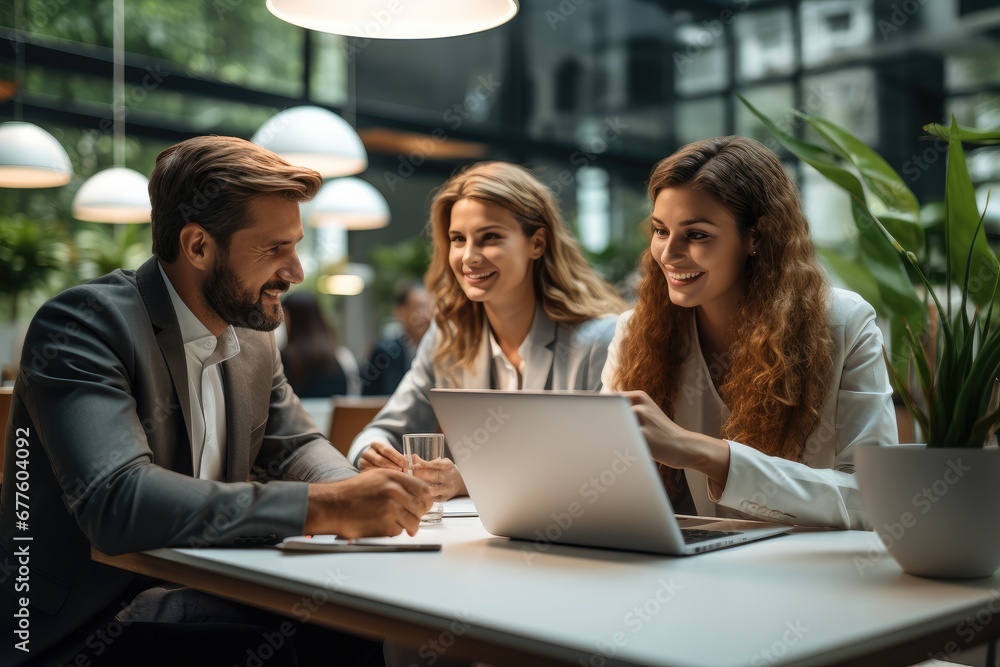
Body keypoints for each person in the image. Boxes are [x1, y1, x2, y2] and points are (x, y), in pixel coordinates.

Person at [0, 135, 431, 666]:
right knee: (327, 633)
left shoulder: (251, 337)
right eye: (275, 249)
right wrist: (327, 508)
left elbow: (296, 445)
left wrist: (356, 492)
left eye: (296, 245)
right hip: (82, 626)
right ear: (198, 246)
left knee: (359, 617)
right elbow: (117, 500)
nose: (296, 272)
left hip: (198, 588)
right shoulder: (85, 325)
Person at [602, 136, 898, 531]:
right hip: (693, 573)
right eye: (660, 231)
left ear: (757, 237)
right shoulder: (635, 331)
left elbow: (874, 499)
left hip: (812, 577)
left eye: (697, 234)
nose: (668, 254)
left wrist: (707, 454)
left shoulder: (845, 323)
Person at [348, 161, 627, 501]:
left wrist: (467, 480)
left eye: (489, 237)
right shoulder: (447, 336)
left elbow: (602, 468)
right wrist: (370, 454)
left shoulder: (599, 340)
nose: (469, 257)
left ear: (536, 243)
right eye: (457, 239)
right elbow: (382, 431)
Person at [281, 290, 362, 397]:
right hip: (336, 414)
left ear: (290, 317)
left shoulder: (282, 361)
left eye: (283, 316)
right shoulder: (342, 357)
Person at [360, 280, 432, 396]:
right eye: (419, 307)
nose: (426, 315)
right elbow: (369, 400)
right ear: (400, 311)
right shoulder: (384, 354)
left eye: (429, 307)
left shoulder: (440, 352)